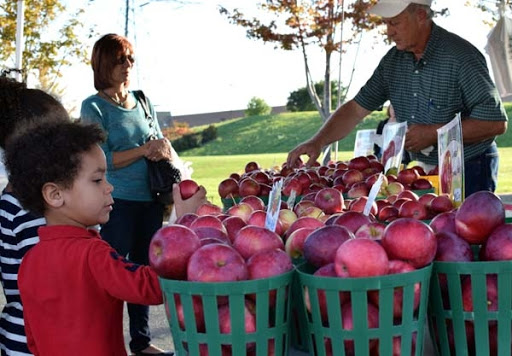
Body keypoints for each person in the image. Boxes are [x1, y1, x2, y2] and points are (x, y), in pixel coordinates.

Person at [4, 120, 206, 356]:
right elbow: (153, 288)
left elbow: (33, 340)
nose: (109, 187)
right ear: (55, 194)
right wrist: (184, 223)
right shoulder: (92, 254)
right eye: (97, 180)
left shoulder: (29, 262)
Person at [287, 0, 508, 198]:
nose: (388, 32)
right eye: (387, 23)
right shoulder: (392, 62)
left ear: (420, 16)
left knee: (466, 237)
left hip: (470, 166)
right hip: (423, 170)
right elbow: (356, 108)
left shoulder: (460, 56)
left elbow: (495, 122)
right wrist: (318, 141)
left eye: (395, 23)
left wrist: (433, 133)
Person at [80, 34, 179, 355]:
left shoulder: (142, 100)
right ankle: (104, 341)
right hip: (116, 203)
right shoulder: (92, 106)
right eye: (121, 59)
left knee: (144, 272)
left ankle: (142, 341)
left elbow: (158, 140)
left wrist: (160, 147)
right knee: (113, 274)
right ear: (104, 63)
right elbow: (102, 158)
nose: (128, 66)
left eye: (131, 60)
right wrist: (143, 150)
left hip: (151, 200)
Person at [0, 76, 70, 356]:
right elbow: (52, 284)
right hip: (36, 339)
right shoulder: (30, 207)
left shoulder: (19, 198)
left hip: (23, 334)